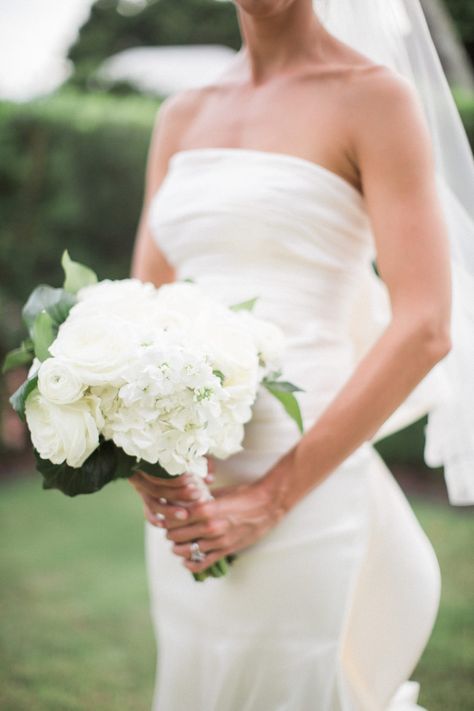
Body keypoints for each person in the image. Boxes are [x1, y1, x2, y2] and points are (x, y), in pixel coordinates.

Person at [129, 1, 453, 708]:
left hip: (307, 470)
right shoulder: (181, 114)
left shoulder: (374, 98)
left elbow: (426, 324)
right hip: (188, 486)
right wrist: (141, 461)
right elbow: (139, 310)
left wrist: (272, 497)